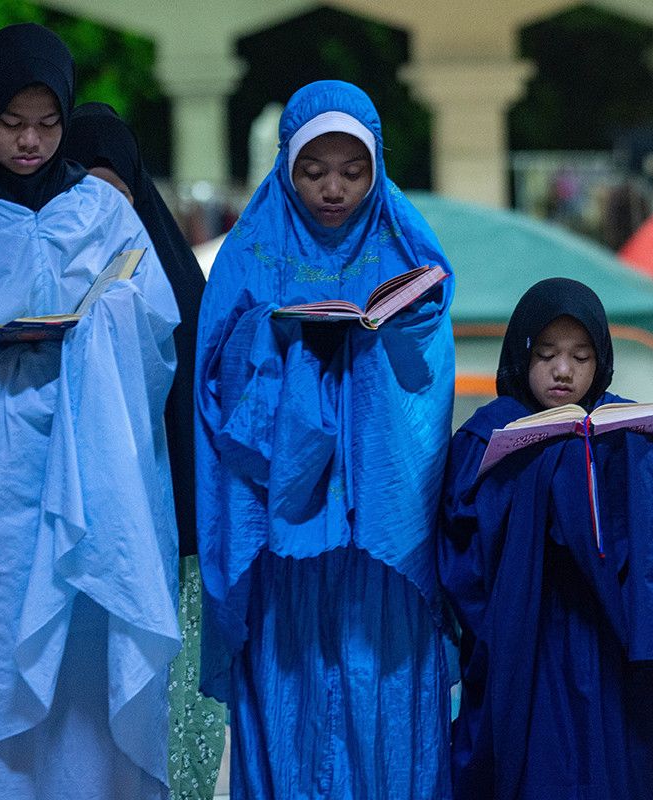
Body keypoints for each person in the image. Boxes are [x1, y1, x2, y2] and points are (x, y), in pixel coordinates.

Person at [0, 24, 180, 799]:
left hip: (83, 489)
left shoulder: (104, 214)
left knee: (78, 692)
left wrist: (96, 330)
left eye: (48, 124)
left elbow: (153, 342)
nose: (30, 142)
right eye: (12, 123)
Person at [195, 80, 453, 799]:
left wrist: (395, 331)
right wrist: (275, 333)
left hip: (381, 532)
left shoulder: (404, 240)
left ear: (377, 167)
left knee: (383, 684)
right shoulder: (251, 251)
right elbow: (216, 372)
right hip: (283, 534)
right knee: (292, 685)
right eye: (314, 171)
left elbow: (430, 368)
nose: (333, 189)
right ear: (285, 166)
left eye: (352, 170)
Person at [439, 277, 653, 799]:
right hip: (528, 640)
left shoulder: (630, 433)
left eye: (581, 356)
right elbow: (460, 548)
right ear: (521, 354)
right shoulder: (486, 435)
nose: (563, 370)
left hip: (613, 638)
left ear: (602, 360)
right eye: (546, 354)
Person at [61, 102, 223, 800]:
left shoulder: (184, 282)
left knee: (177, 710)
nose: (103, 206)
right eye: (83, 187)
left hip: (180, 533)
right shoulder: (53, 267)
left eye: (115, 189)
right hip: (95, 528)